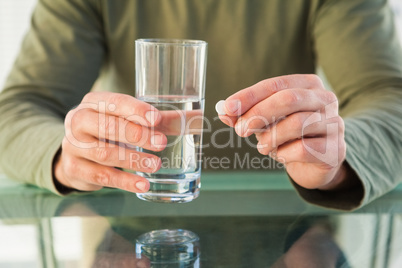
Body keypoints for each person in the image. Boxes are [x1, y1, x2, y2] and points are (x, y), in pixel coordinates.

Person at [0, 0, 401, 211]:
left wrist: (337, 160)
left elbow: (390, 96)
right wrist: (64, 156)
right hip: (127, 231)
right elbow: (18, 108)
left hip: (298, 241)